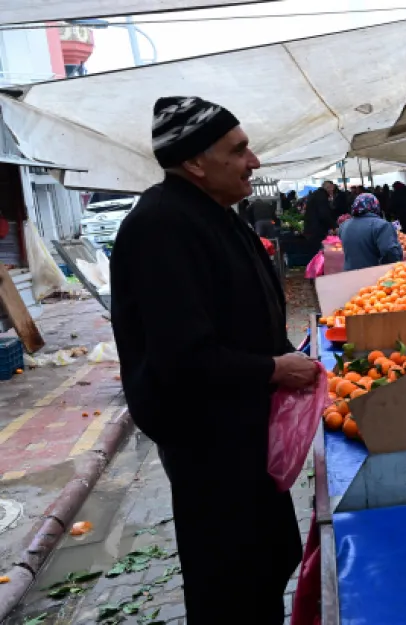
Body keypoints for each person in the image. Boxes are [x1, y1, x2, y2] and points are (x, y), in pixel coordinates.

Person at [110, 96, 315, 622]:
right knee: (231, 586)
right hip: (210, 446)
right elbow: (182, 358)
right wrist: (274, 369)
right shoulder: (161, 227)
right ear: (197, 162)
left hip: (243, 436)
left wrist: (287, 354)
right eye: (239, 149)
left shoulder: (214, 215)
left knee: (263, 569)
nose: (255, 161)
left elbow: (242, 317)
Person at [339, 193, 403, 271]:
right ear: (375, 205)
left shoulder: (344, 225)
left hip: (349, 274)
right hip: (373, 275)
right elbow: (390, 252)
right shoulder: (381, 225)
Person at [305, 181, 339, 249]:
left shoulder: (316, 194)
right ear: (328, 188)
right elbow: (324, 214)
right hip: (317, 230)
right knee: (319, 251)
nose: (333, 191)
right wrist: (334, 226)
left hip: (311, 228)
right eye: (332, 188)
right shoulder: (322, 196)